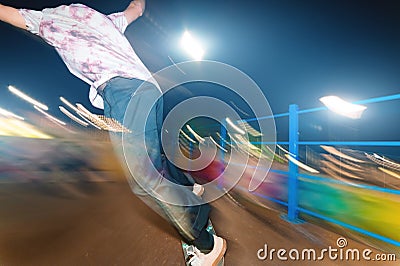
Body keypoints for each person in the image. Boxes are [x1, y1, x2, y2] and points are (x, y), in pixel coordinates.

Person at [0, 1, 226, 265]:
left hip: (122, 92)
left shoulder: (49, 20)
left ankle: (205, 243)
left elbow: (8, 13)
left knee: (143, 178)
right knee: (153, 157)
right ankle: (189, 187)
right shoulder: (106, 20)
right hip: (147, 88)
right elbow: (137, 8)